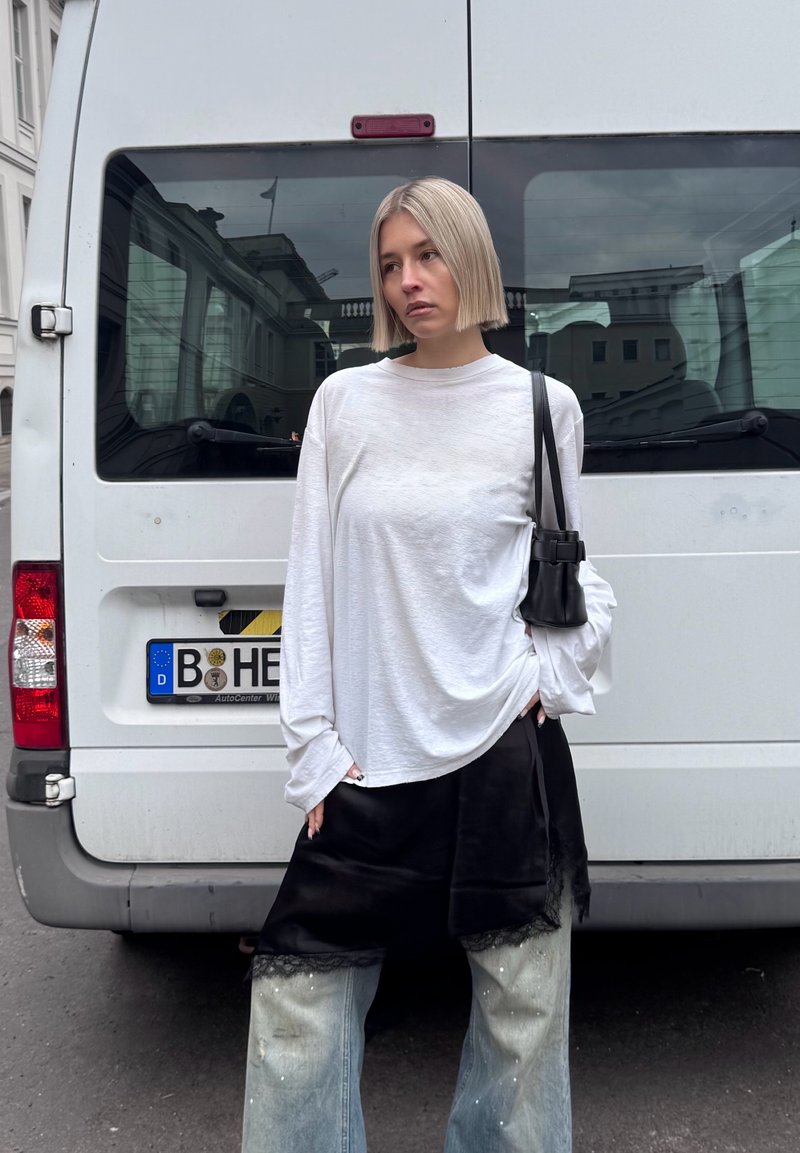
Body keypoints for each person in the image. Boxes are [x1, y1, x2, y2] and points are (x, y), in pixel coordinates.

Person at [241, 178, 615, 1153]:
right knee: (296, 1010)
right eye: (389, 264)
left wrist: (548, 674)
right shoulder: (345, 402)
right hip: (367, 754)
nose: (409, 280)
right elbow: (310, 580)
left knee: (522, 1021)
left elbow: (567, 566)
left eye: (428, 254)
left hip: (500, 745)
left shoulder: (543, 406)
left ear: (471, 260)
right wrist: (312, 744)